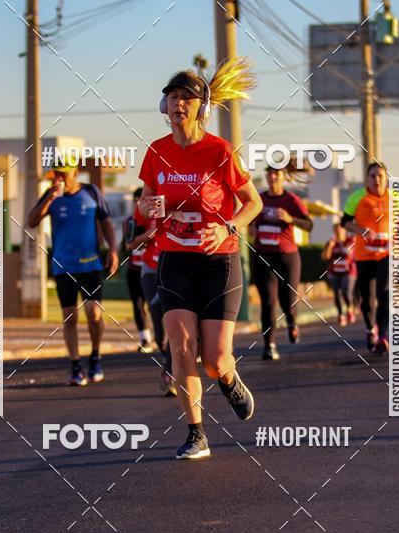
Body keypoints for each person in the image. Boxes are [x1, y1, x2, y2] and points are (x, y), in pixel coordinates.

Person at [138, 58, 263, 460]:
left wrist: (228, 227)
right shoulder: (157, 152)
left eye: (186, 98)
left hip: (218, 262)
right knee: (180, 345)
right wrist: (149, 206)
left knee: (214, 359)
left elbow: (252, 203)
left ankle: (227, 377)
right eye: (172, 97)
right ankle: (196, 434)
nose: (178, 105)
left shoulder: (219, 151)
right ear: (165, 106)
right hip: (175, 259)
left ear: (201, 107)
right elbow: (143, 203)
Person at [27, 153, 119, 385]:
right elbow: (31, 221)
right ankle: (76, 365)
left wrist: (114, 251)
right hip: (63, 266)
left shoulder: (91, 192)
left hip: (91, 264)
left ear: (74, 173)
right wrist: (49, 198)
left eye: (63, 174)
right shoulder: (50, 196)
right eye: (55, 174)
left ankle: (95, 357)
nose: (58, 178)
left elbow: (106, 223)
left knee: (94, 313)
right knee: (69, 317)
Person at [252, 163, 312, 359]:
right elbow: (249, 220)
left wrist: (290, 219)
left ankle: (292, 322)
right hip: (264, 256)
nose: (272, 177)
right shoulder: (259, 200)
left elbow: (309, 225)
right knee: (268, 302)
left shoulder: (291, 200)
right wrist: (251, 228)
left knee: (288, 301)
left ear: (283, 177)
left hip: (287, 257)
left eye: (276, 174)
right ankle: (269, 345)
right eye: (269, 174)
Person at [126, 206, 176, 396]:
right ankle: (170, 364)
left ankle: (170, 374)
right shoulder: (144, 208)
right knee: (159, 336)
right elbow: (131, 245)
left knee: (174, 322)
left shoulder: (179, 200)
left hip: (174, 267)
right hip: (150, 269)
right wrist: (150, 234)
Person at [342, 162, 390, 354]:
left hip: (387, 254)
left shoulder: (396, 198)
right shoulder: (357, 197)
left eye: (380, 176)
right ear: (367, 179)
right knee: (368, 299)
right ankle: (371, 329)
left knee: (384, 294)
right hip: (364, 255)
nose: (376, 179)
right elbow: (344, 222)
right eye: (372, 176)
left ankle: (384, 336)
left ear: (386, 178)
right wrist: (361, 230)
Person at [120, 188, 154, 352]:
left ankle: (163, 338)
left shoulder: (155, 219)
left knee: (157, 305)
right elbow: (126, 245)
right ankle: (145, 338)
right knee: (138, 304)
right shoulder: (130, 221)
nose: (138, 204)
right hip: (135, 268)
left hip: (153, 268)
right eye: (136, 201)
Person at [322, 222, 356, 326]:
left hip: (348, 271)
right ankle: (341, 315)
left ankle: (350, 309)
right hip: (334, 271)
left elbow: (349, 254)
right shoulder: (331, 242)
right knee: (336, 294)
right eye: (336, 230)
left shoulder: (350, 241)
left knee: (346, 292)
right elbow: (325, 257)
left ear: (345, 230)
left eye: (340, 229)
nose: (338, 231)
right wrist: (330, 247)